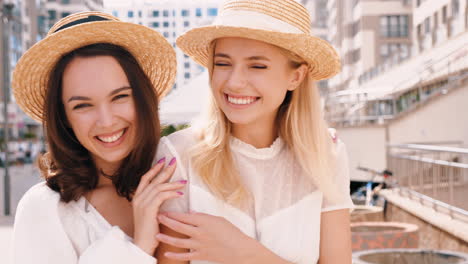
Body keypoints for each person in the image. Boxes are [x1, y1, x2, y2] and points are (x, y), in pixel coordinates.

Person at [153, 0, 354, 263]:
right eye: (223, 64)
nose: (234, 82)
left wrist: (245, 253)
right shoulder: (177, 156)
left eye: (257, 66)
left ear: (296, 77)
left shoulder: (327, 153)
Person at [12, 12, 180, 264]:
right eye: (82, 106)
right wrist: (141, 245)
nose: (106, 120)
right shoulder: (45, 209)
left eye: (120, 97)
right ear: (64, 116)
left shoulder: (179, 177)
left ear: (142, 98)